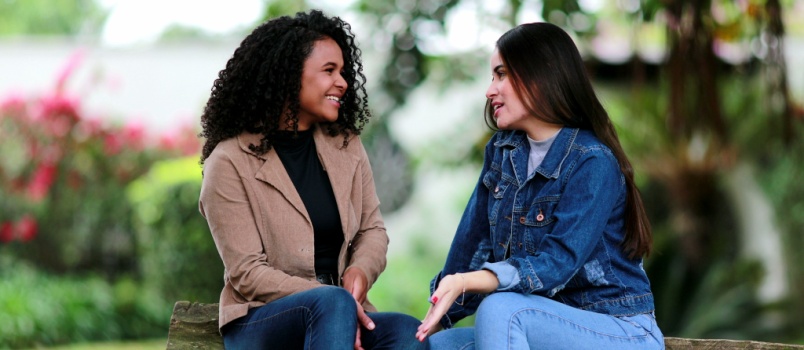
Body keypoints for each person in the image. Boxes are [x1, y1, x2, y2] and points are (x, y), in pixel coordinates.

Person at [415, 22, 665, 349]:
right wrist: (433, 322)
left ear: (540, 75)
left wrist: (468, 281)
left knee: (502, 310)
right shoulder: (503, 152)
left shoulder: (592, 161)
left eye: (501, 74)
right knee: (440, 346)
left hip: (619, 330)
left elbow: (557, 263)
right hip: (544, 326)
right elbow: (471, 248)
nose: (490, 90)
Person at [198, 10, 426, 350]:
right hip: (261, 319)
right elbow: (247, 273)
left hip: (341, 310)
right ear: (290, 75)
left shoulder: (345, 145)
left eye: (343, 72)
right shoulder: (229, 161)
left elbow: (372, 230)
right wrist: (334, 300)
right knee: (331, 305)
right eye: (329, 70)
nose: (343, 82)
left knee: (407, 332)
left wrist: (360, 273)